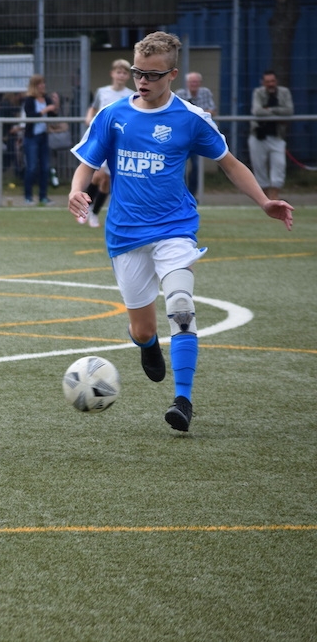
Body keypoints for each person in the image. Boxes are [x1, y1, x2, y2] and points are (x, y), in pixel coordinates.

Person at [68, 31, 293, 433]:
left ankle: (183, 401)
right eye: (138, 72)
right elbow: (86, 163)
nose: (142, 80)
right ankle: (146, 343)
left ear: (172, 74)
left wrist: (264, 201)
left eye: (152, 75)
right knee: (143, 328)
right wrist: (75, 190)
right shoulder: (113, 115)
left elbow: (229, 163)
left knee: (182, 307)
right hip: (125, 235)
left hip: (175, 227)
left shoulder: (190, 118)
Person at [80, 59, 134, 225]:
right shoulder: (102, 92)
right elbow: (94, 107)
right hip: (102, 139)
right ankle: (87, 207)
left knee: (105, 181)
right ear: (112, 74)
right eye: (118, 72)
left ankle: (94, 213)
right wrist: (89, 117)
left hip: (118, 142)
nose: (121, 75)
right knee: (98, 175)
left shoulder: (130, 95)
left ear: (128, 76)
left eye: (124, 73)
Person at [248, 70, 294, 200]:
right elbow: (257, 111)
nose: (270, 84)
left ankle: (274, 196)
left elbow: (289, 110)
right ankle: (265, 198)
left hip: (277, 136)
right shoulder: (258, 92)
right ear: (263, 83)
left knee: (279, 165)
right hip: (258, 135)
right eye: (267, 82)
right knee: (259, 167)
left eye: (272, 81)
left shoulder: (284, 92)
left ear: (276, 81)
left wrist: (270, 110)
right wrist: (278, 114)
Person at [174, 71, 216, 197]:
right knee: (180, 166)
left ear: (200, 83)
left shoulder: (205, 92)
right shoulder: (179, 94)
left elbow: (212, 111)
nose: (194, 84)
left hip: (198, 136)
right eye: (192, 82)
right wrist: (199, 115)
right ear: (187, 83)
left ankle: (192, 193)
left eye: (196, 82)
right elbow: (176, 114)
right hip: (181, 135)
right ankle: (181, 194)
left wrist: (191, 116)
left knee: (197, 166)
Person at [22, 74, 59, 205]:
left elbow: (54, 115)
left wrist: (56, 104)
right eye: (40, 83)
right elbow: (31, 116)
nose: (43, 86)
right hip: (31, 138)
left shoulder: (46, 99)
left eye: (43, 83)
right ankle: (28, 197)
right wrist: (45, 110)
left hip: (43, 137)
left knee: (45, 167)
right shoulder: (29, 100)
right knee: (31, 167)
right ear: (35, 86)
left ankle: (43, 196)